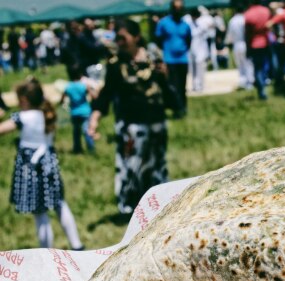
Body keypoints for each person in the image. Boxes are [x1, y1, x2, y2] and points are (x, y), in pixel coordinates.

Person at [89, 19, 179, 215]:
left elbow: (168, 91)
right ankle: (132, 211)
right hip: (131, 126)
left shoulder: (154, 60)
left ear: (136, 37)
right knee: (131, 167)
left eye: (123, 38)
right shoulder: (115, 65)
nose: (119, 42)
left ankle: (160, 207)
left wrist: (164, 76)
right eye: (117, 38)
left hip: (156, 124)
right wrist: (94, 119)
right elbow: (106, 94)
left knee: (157, 165)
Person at [0, 78, 84, 250]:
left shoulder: (22, 117)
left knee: (40, 212)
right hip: (49, 165)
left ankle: (46, 252)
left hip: (31, 168)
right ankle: (77, 245)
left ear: (24, 100)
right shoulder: (46, 114)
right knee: (60, 203)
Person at [156, 0, 192, 117]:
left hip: (183, 59)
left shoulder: (185, 25)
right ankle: (177, 108)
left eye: (180, 8)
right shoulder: (163, 23)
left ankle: (183, 107)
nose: (178, 10)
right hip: (169, 60)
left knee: (182, 85)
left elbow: (188, 40)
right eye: (176, 8)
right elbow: (158, 40)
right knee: (173, 86)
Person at [60, 64, 96, 154]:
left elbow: (62, 99)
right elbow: (94, 96)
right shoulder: (83, 86)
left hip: (74, 112)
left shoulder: (68, 86)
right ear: (80, 74)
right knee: (87, 130)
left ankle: (77, 149)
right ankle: (91, 149)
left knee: (76, 132)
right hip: (85, 112)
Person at [245, 0, 272, 99]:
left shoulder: (248, 14)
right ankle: (266, 82)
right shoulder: (266, 11)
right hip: (266, 42)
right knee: (266, 65)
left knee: (257, 68)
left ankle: (261, 90)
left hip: (255, 44)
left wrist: (248, 48)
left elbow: (247, 34)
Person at [227, 5, 255, 89]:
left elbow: (230, 36)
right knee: (248, 64)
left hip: (236, 44)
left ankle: (242, 81)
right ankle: (250, 81)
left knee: (240, 64)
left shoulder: (232, 20)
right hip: (245, 43)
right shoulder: (245, 19)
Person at [184, 8, 210, 93]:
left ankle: (200, 85)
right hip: (191, 49)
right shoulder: (187, 21)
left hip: (200, 49)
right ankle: (195, 85)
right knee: (192, 69)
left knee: (200, 68)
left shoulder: (202, 22)